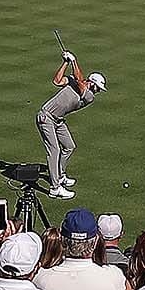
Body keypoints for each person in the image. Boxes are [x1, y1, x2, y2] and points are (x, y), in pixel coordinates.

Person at [38, 52, 105, 200]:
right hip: (46, 117)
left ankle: (60, 175)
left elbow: (80, 81)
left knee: (69, 146)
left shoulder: (89, 96)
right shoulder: (76, 82)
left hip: (58, 120)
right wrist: (66, 62)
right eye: (98, 87)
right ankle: (55, 188)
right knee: (54, 151)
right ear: (92, 82)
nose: (98, 91)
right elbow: (57, 81)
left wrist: (74, 60)